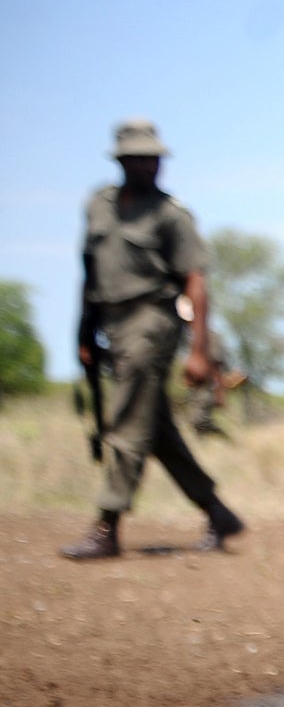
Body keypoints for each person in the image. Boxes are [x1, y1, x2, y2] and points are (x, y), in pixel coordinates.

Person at [63, 119, 244, 561]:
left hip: (152, 321)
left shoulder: (171, 214)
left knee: (126, 423)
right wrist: (84, 333)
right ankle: (218, 512)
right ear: (121, 160)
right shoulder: (99, 205)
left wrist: (199, 351)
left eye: (154, 158)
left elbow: (196, 283)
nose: (149, 165)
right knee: (155, 430)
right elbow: (90, 272)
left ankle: (107, 526)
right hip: (111, 321)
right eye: (139, 157)